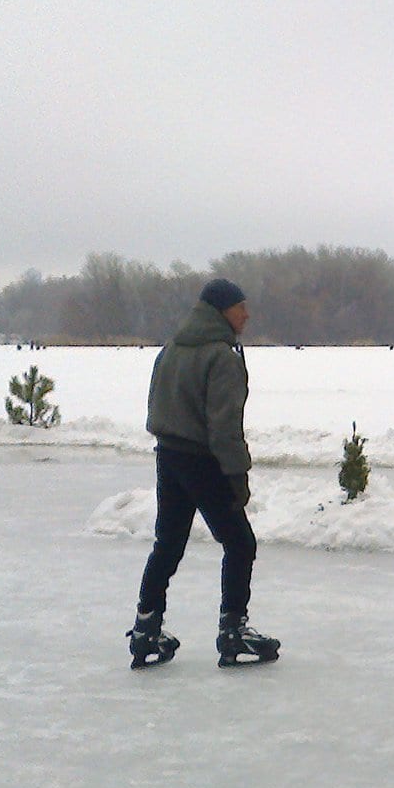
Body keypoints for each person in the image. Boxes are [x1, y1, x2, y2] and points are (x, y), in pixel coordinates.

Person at [127, 278, 280, 669]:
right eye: (240, 307)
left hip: (170, 456)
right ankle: (233, 630)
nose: (246, 315)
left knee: (169, 543)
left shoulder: (172, 348)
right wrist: (236, 476)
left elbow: (155, 406)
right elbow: (225, 426)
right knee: (240, 544)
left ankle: (146, 627)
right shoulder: (221, 356)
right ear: (220, 311)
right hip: (205, 461)